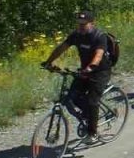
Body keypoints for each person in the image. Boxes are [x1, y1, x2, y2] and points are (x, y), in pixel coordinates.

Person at [40, 10, 113, 141]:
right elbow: (61, 48)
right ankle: (89, 115)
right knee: (71, 96)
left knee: (92, 101)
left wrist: (91, 67)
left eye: (84, 24)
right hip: (84, 70)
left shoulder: (99, 36)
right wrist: (48, 62)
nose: (80, 27)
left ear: (92, 23)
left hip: (100, 71)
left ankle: (92, 133)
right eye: (79, 24)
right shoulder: (76, 35)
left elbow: (98, 55)